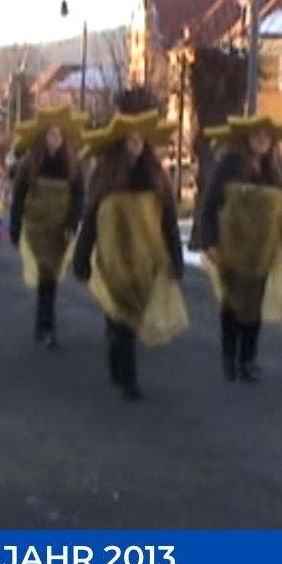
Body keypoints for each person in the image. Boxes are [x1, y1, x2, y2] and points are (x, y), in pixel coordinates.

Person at [72, 110, 188, 402]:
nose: (135, 144)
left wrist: (175, 256)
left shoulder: (155, 177)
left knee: (130, 317)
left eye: (140, 140)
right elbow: (91, 219)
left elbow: (168, 221)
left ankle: (116, 349)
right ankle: (129, 379)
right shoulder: (106, 178)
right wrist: (82, 257)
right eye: (130, 139)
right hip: (115, 259)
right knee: (123, 317)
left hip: (146, 259)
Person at [196, 115, 282, 383]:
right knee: (232, 302)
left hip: (261, 250)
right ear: (247, 138)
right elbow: (209, 206)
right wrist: (210, 242)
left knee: (255, 303)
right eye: (256, 135)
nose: (262, 140)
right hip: (232, 247)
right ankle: (229, 356)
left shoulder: (275, 172)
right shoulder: (229, 166)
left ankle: (248, 358)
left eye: (267, 136)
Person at [9, 105, 88, 349]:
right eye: (52, 135)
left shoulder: (71, 166)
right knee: (44, 278)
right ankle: (45, 327)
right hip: (36, 228)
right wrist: (15, 226)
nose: (56, 139)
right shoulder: (29, 165)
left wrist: (73, 223)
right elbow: (18, 197)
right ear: (44, 138)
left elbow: (78, 197)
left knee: (51, 279)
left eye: (59, 135)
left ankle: (46, 326)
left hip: (59, 229)